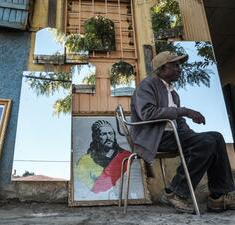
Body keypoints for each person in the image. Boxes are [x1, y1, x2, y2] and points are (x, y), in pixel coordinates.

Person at [130, 51, 235, 213]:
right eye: (175, 65)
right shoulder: (148, 85)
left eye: (180, 65)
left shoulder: (173, 93)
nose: (180, 69)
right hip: (155, 137)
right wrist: (184, 111)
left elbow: (179, 122)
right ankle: (175, 192)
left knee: (215, 137)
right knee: (206, 142)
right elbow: (147, 113)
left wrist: (192, 134)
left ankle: (218, 196)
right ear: (163, 68)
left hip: (174, 135)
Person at [75, 120, 131, 193]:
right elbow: (87, 189)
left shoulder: (126, 156)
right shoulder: (84, 161)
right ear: (96, 137)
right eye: (104, 134)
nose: (108, 137)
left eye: (110, 133)